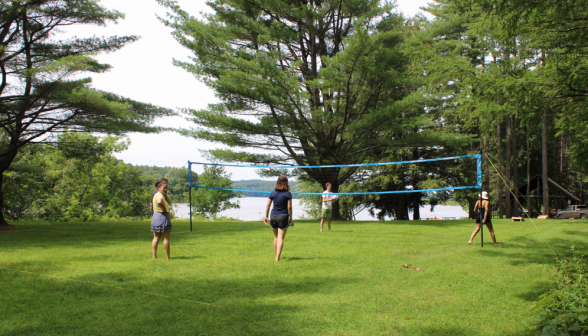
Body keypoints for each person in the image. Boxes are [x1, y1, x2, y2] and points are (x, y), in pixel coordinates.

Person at [264, 176, 294, 261]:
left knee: (276, 237)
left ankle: (276, 256)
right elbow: (289, 207)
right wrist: (291, 218)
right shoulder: (287, 193)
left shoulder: (273, 192)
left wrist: (266, 216)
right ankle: (277, 257)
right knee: (281, 238)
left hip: (273, 216)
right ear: (286, 182)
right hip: (283, 217)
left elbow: (267, 205)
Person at [151, 178, 173, 259]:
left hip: (156, 216)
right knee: (166, 238)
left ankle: (154, 256)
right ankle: (168, 257)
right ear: (159, 187)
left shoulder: (158, 194)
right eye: (164, 187)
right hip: (162, 217)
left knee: (156, 237)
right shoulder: (159, 195)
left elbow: (169, 202)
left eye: (166, 188)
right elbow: (159, 201)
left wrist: (165, 193)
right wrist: (164, 209)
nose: (165, 189)